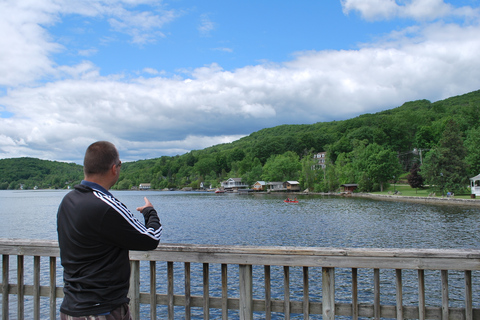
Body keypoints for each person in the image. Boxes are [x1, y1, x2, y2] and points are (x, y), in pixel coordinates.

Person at [57, 141, 162, 319]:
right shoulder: (105, 206)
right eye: (120, 164)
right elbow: (151, 238)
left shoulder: (68, 201)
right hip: (102, 310)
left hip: (71, 309)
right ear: (114, 168)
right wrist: (149, 212)